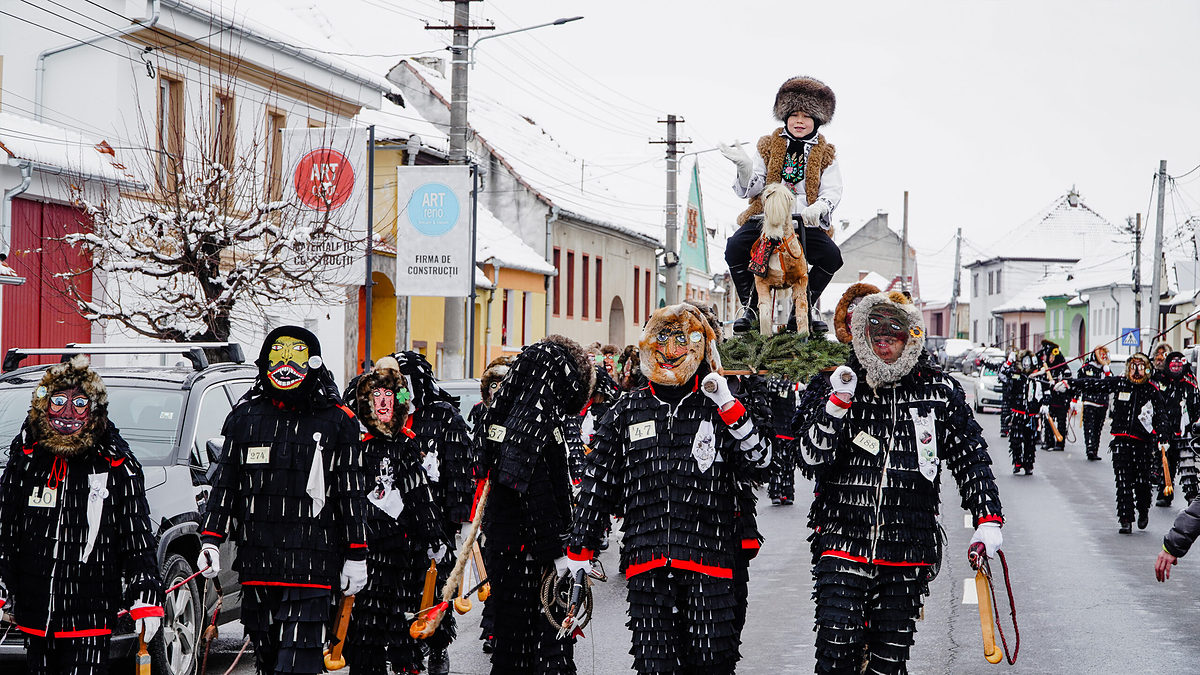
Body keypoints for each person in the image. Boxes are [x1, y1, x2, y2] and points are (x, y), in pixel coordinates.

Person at [793, 291, 1004, 674]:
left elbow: (971, 456)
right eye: (876, 334)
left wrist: (987, 519)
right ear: (861, 336)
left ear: (910, 337)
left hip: (907, 548)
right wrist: (837, 404)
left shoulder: (939, 392)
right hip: (842, 541)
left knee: (888, 665)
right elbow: (809, 457)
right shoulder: (835, 383)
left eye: (894, 334)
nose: (884, 342)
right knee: (836, 650)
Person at [563, 304, 772, 674]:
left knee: (712, 661)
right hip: (648, 562)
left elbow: (763, 462)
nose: (671, 350)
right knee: (653, 663)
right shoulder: (628, 408)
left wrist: (727, 405)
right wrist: (580, 548)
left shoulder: (719, 403)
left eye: (682, 339)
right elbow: (598, 482)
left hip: (712, 560)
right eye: (662, 338)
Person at [197, 326, 369, 674]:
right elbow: (226, 485)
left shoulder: (339, 421)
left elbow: (350, 492)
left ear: (314, 362)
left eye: (297, 357)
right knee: (269, 662)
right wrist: (211, 539)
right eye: (278, 356)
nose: (286, 366)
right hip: (258, 564)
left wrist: (357, 553)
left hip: (313, 565)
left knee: (297, 664)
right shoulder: (245, 418)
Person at [0, 355, 163, 675]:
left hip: (90, 612)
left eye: (79, 402)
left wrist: (145, 596)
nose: (68, 412)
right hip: (36, 614)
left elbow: (136, 537)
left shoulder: (116, 462)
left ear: (94, 408)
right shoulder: (27, 457)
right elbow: (6, 528)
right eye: (58, 401)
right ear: (43, 405)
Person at [479, 335, 594, 674]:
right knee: (544, 650)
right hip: (527, 557)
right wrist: (557, 554)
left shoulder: (506, 416)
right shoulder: (531, 423)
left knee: (514, 648)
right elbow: (534, 492)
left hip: (509, 550)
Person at [344, 357, 449, 675]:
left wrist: (434, 537)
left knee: (402, 620)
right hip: (364, 549)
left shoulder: (405, 446)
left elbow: (419, 496)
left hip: (403, 550)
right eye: (376, 397)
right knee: (366, 629)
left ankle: (407, 665)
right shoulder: (354, 449)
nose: (382, 402)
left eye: (389, 396)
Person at [721, 75, 844, 334]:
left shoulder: (826, 153)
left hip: (804, 222)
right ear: (785, 116)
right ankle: (751, 307)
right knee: (734, 248)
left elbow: (832, 191)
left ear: (817, 120)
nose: (799, 121)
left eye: (807, 115)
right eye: (794, 114)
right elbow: (753, 187)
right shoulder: (768, 145)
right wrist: (744, 169)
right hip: (767, 219)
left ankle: (804, 307)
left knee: (832, 258)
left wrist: (819, 208)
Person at [1063, 352, 1169, 533]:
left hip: (1142, 443)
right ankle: (1125, 519)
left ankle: (1143, 510)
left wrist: (1163, 437)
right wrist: (1070, 383)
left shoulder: (1152, 389)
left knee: (1142, 482)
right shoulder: (1120, 383)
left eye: (1141, 367)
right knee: (1123, 482)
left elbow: (1161, 416)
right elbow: (1096, 384)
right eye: (1133, 366)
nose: (1137, 371)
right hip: (1121, 441)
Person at [1151, 351, 1200, 506]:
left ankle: (1191, 494)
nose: (1176, 367)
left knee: (1188, 463)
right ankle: (1165, 491)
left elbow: (1196, 404)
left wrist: (1195, 422)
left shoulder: (1189, 382)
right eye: (1173, 364)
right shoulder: (1161, 381)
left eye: (1179, 365)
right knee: (1165, 462)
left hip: (1185, 430)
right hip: (1166, 428)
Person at [1004, 349, 1044, 475]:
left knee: (1030, 441)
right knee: (1015, 440)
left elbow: (1046, 389)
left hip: (1031, 414)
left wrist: (1044, 404)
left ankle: (1028, 464)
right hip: (1018, 413)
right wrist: (1009, 363)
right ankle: (1017, 462)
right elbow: (1003, 375)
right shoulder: (1016, 375)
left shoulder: (1037, 377)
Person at [1075, 346, 1113, 461]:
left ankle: (1095, 449)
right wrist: (1074, 399)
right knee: (1089, 427)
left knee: (1098, 428)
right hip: (1089, 402)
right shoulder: (1087, 368)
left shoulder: (1105, 369)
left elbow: (1111, 384)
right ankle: (1090, 448)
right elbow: (1079, 383)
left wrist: (1107, 371)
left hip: (1102, 403)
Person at [1036, 339, 1072, 451]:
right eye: (1049, 356)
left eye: (1052, 356)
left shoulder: (1064, 368)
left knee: (1061, 422)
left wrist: (1060, 385)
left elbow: (1070, 383)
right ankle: (1048, 441)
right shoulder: (1047, 369)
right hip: (1050, 400)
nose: (1050, 359)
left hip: (1061, 400)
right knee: (1047, 421)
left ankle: (1060, 443)